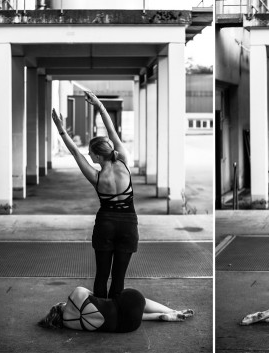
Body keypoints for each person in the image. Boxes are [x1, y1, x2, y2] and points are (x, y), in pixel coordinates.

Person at [51, 91, 138, 299]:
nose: (88, 155)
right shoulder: (123, 160)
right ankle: (115, 319)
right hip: (128, 225)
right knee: (118, 279)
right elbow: (111, 129)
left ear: (98, 155)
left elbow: (75, 152)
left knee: (101, 277)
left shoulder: (95, 176)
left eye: (91, 153)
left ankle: (99, 316)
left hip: (105, 225)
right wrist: (99, 105)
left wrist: (61, 129)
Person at [38, 286, 194, 332]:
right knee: (136, 298)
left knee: (120, 315)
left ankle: (158, 316)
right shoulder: (75, 295)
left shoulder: (69, 324)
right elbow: (99, 294)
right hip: (128, 307)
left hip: (128, 326)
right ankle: (171, 310)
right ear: (59, 306)